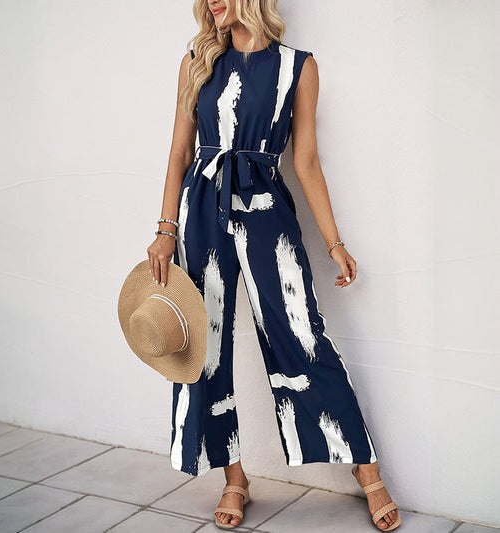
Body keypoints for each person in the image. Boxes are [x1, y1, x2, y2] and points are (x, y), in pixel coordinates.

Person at [146, 0, 401, 530]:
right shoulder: (196, 60)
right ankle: (234, 478)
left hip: (266, 211)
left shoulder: (298, 67)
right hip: (202, 211)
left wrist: (333, 242)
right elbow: (179, 152)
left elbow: (304, 160)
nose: (211, 2)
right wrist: (165, 229)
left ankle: (367, 469)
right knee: (205, 347)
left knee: (300, 335)